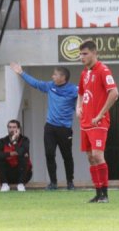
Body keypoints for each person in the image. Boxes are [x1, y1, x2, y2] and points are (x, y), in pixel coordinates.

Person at [10, 62, 78, 190]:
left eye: (55, 74)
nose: (52, 76)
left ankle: (70, 182)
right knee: (49, 154)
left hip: (65, 129)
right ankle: (53, 183)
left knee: (67, 156)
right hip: (50, 128)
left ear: (63, 77)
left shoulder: (74, 89)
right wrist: (21, 73)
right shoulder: (50, 86)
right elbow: (36, 83)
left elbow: (85, 97)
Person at [76, 40, 119, 203]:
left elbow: (114, 93)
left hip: (98, 122)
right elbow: (80, 93)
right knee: (90, 157)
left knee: (97, 155)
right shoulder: (84, 73)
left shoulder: (103, 70)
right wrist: (78, 107)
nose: (82, 57)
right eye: (80, 54)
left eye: (85, 54)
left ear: (95, 53)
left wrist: (101, 114)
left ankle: (105, 194)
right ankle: (98, 192)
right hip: (85, 122)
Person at [0, 120, 32, 192]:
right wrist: (11, 153)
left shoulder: (25, 140)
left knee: (23, 156)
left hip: (22, 174)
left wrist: (14, 141)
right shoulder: (2, 141)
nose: (12, 129)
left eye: (14, 127)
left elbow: (21, 152)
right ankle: (4, 184)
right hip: (7, 173)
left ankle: (21, 184)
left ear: (18, 129)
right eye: (10, 127)